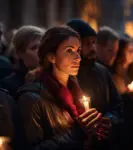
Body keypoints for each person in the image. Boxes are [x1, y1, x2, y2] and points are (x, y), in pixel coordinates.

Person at [17, 26, 109, 150]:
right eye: (69, 51)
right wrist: (77, 133)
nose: (78, 58)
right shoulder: (31, 98)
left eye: (78, 50)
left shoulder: (76, 91)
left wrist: (97, 132)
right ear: (51, 57)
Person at [67, 19, 123, 150]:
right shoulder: (66, 75)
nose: (92, 48)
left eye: (93, 42)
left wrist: (109, 119)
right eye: (86, 44)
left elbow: (117, 105)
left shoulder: (102, 71)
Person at [0, 25, 44, 96]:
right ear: (18, 54)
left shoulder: (56, 78)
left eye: (43, 46)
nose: (41, 51)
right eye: (34, 48)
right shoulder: (8, 85)